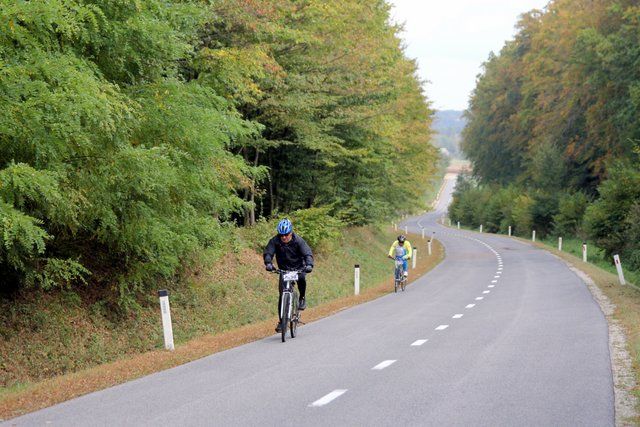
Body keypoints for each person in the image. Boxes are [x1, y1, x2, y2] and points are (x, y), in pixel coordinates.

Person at [264, 218, 314, 333]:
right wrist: (268, 263)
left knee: (301, 278)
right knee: (282, 294)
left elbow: (307, 253)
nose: (284, 237)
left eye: (286, 235)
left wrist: (309, 265)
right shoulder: (275, 241)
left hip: (298, 268)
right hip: (284, 270)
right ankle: (282, 322)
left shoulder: (299, 241)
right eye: (281, 235)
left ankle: (302, 298)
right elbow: (269, 252)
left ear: (291, 232)